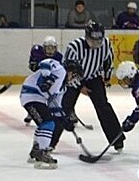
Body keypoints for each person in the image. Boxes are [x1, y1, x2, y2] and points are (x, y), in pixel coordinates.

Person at [50, 21, 125, 152]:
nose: (96, 44)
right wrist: (80, 86)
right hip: (74, 79)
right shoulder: (74, 47)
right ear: (86, 37)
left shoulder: (106, 44)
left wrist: (107, 78)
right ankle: (50, 141)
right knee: (64, 108)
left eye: (98, 41)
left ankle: (116, 139)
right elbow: (66, 71)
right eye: (92, 40)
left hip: (94, 77)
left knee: (103, 106)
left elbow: (108, 62)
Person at [20, 58, 83, 169]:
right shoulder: (60, 70)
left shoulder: (62, 89)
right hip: (30, 94)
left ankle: (36, 150)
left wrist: (65, 120)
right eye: (74, 75)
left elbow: (55, 108)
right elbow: (45, 63)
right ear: (70, 71)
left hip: (38, 98)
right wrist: (46, 76)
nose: (73, 79)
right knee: (48, 123)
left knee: (45, 123)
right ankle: (43, 152)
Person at [25, 36, 64, 126]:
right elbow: (32, 67)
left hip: (52, 79)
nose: (50, 50)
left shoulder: (59, 57)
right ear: (44, 48)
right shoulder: (37, 52)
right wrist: (33, 64)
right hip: (38, 79)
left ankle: (68, 111)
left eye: (52, 48)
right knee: (36, 96)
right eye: (48, 48)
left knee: (57, 95)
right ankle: (32, 112)